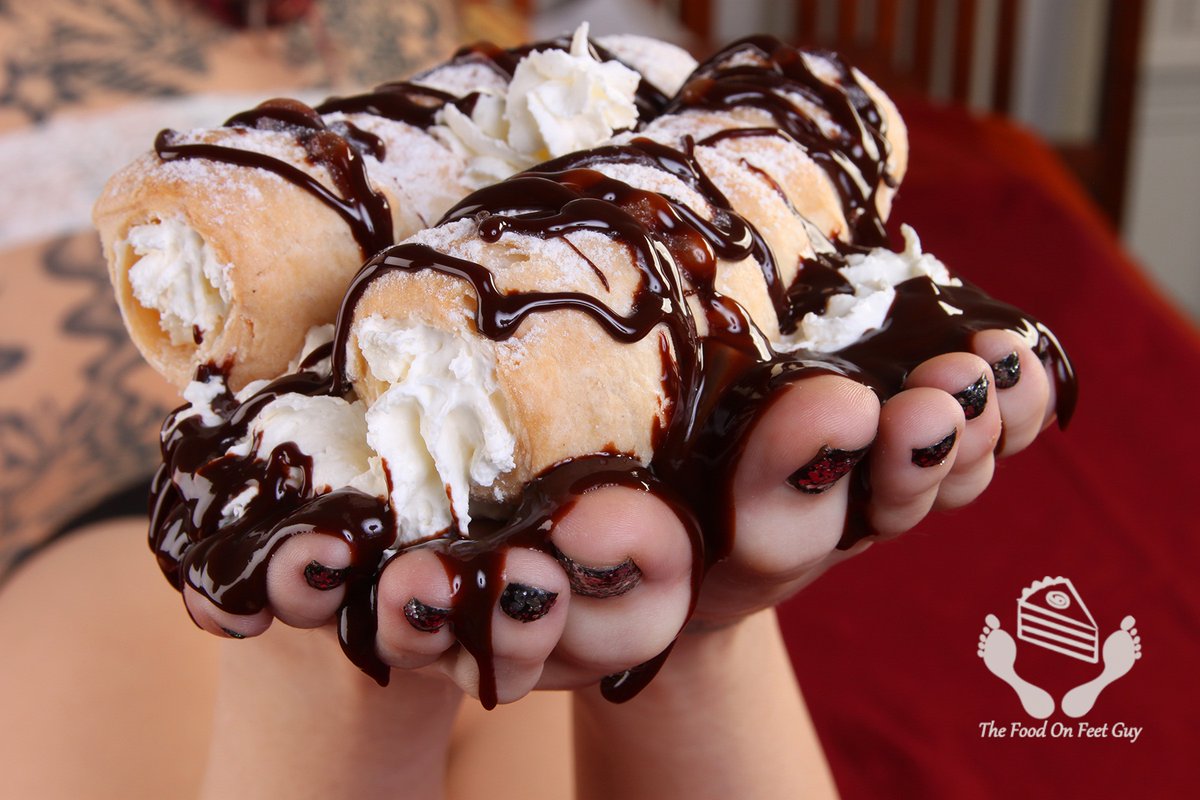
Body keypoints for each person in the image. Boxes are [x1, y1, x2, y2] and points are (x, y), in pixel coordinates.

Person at [0, 1, 1059, 797]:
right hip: (124, 507)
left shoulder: (448, 20)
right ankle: (319, 641)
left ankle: (681, 603)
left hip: (552, 482)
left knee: (661, 639)